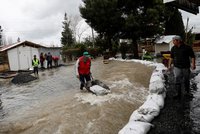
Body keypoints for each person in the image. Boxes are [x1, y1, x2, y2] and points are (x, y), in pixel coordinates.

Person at [168, 35, 196, 100]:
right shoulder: (173, 48)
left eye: (174, 40)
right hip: (177, 67)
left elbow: (192, 56)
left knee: (186, 80)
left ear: (178, 41)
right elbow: (171, 57)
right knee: (177, 79)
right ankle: (178, 93)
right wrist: (169, 65)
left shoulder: (187, 47)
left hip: (185, 67)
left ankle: (187, 93)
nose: (173, 42)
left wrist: (193, 64)